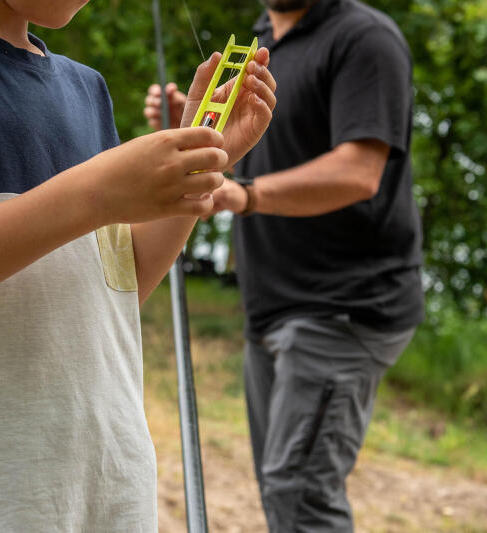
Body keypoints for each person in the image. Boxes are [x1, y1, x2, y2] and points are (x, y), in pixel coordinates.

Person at [0, 0, 277, 530]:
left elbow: (113, 295)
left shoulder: (87, 90)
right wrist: (97, 193)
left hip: (98, 491)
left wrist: (201, 164)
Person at [144, 0, 424, 530]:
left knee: (298, 493)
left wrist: (244, 196)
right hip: (272, 303)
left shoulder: (364, 38)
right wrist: (197, 129)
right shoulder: (261, 43)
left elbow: (359, 171)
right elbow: (261, 154)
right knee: (282, 490)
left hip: (343, 307)